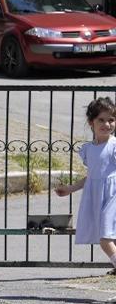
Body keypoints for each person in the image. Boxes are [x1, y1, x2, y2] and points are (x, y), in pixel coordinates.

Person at [55, 97, 116, 271]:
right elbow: (92, 176)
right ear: (91, 123)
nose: (107, 124)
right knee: (109, 237)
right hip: (98, 195)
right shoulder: (89, 149)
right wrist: (70, 188)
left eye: (111, 120)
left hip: (113, 196)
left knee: (106, 239)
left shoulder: (114, 146)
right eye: (101, 120)